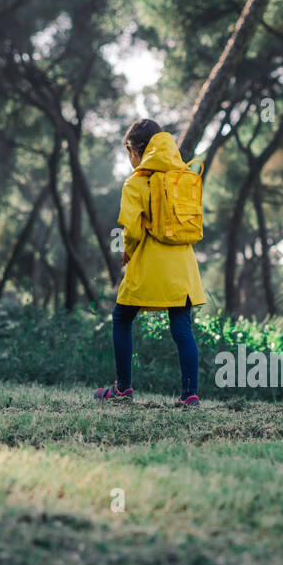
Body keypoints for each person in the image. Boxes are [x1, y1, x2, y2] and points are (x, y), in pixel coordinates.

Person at [94, 118, 206, 407]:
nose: (129, 160)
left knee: (121, 317)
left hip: (150, 267)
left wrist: (127, 253)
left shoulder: (136, 182)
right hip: (183, 267)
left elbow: (130, 231)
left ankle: (123, 388)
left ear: (136, 150)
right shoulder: (183, 175)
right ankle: (190, 395)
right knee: (182, 328)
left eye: (128, 153)